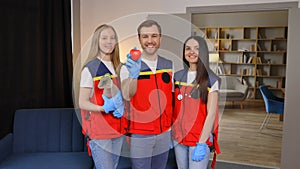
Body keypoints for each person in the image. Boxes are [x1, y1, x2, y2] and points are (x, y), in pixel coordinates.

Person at [120, 20, 173, 169]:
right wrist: (133, 76)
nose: (150, 41)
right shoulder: (128, 66)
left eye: (154, 36)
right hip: (140, 134)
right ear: (139, 39)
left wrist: (171, 129)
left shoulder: (169, 65)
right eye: (145, 36)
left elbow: (172, 98)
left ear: (160, 38)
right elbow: (126, 95)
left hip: (164, 132)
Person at [79, 24, 127, 169]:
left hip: (117, 129)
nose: (109, 42)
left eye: (112, 38)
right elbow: (82, 102)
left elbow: (126, 95)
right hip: (99, 132)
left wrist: (122, 104)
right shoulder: (90, 69)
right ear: (97, 41)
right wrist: (103, 108)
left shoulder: (120, 67)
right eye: (104, 38)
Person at [172, 36, 221, 169]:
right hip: (179, 139)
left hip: (198, 139)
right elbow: (174, 108)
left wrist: (202, 143)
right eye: (188, 48)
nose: (191, 51)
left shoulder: (212, 79)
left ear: (203, 52)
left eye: (196, 48)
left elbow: (211, 114)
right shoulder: (177, 77)